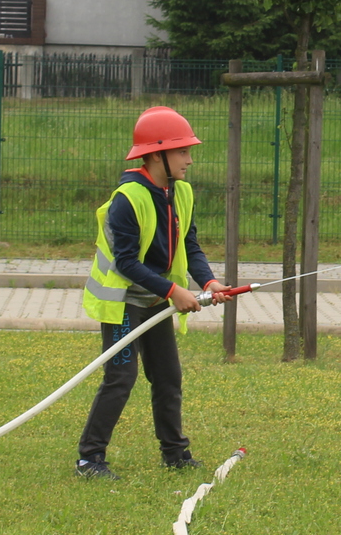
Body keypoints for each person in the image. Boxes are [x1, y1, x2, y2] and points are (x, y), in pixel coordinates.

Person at [76, 107, 232, 479]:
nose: (190, 160)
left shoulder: (182, 193)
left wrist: (208, 282)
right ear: (156, 153)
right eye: (182, 152)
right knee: (121, 377)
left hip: (156, 301)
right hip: (123, 305)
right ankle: (89, 459)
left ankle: (175, 454)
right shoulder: (127, 199)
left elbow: (189, 245)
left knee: (167, 377)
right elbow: (126, 262)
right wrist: (174, 291)